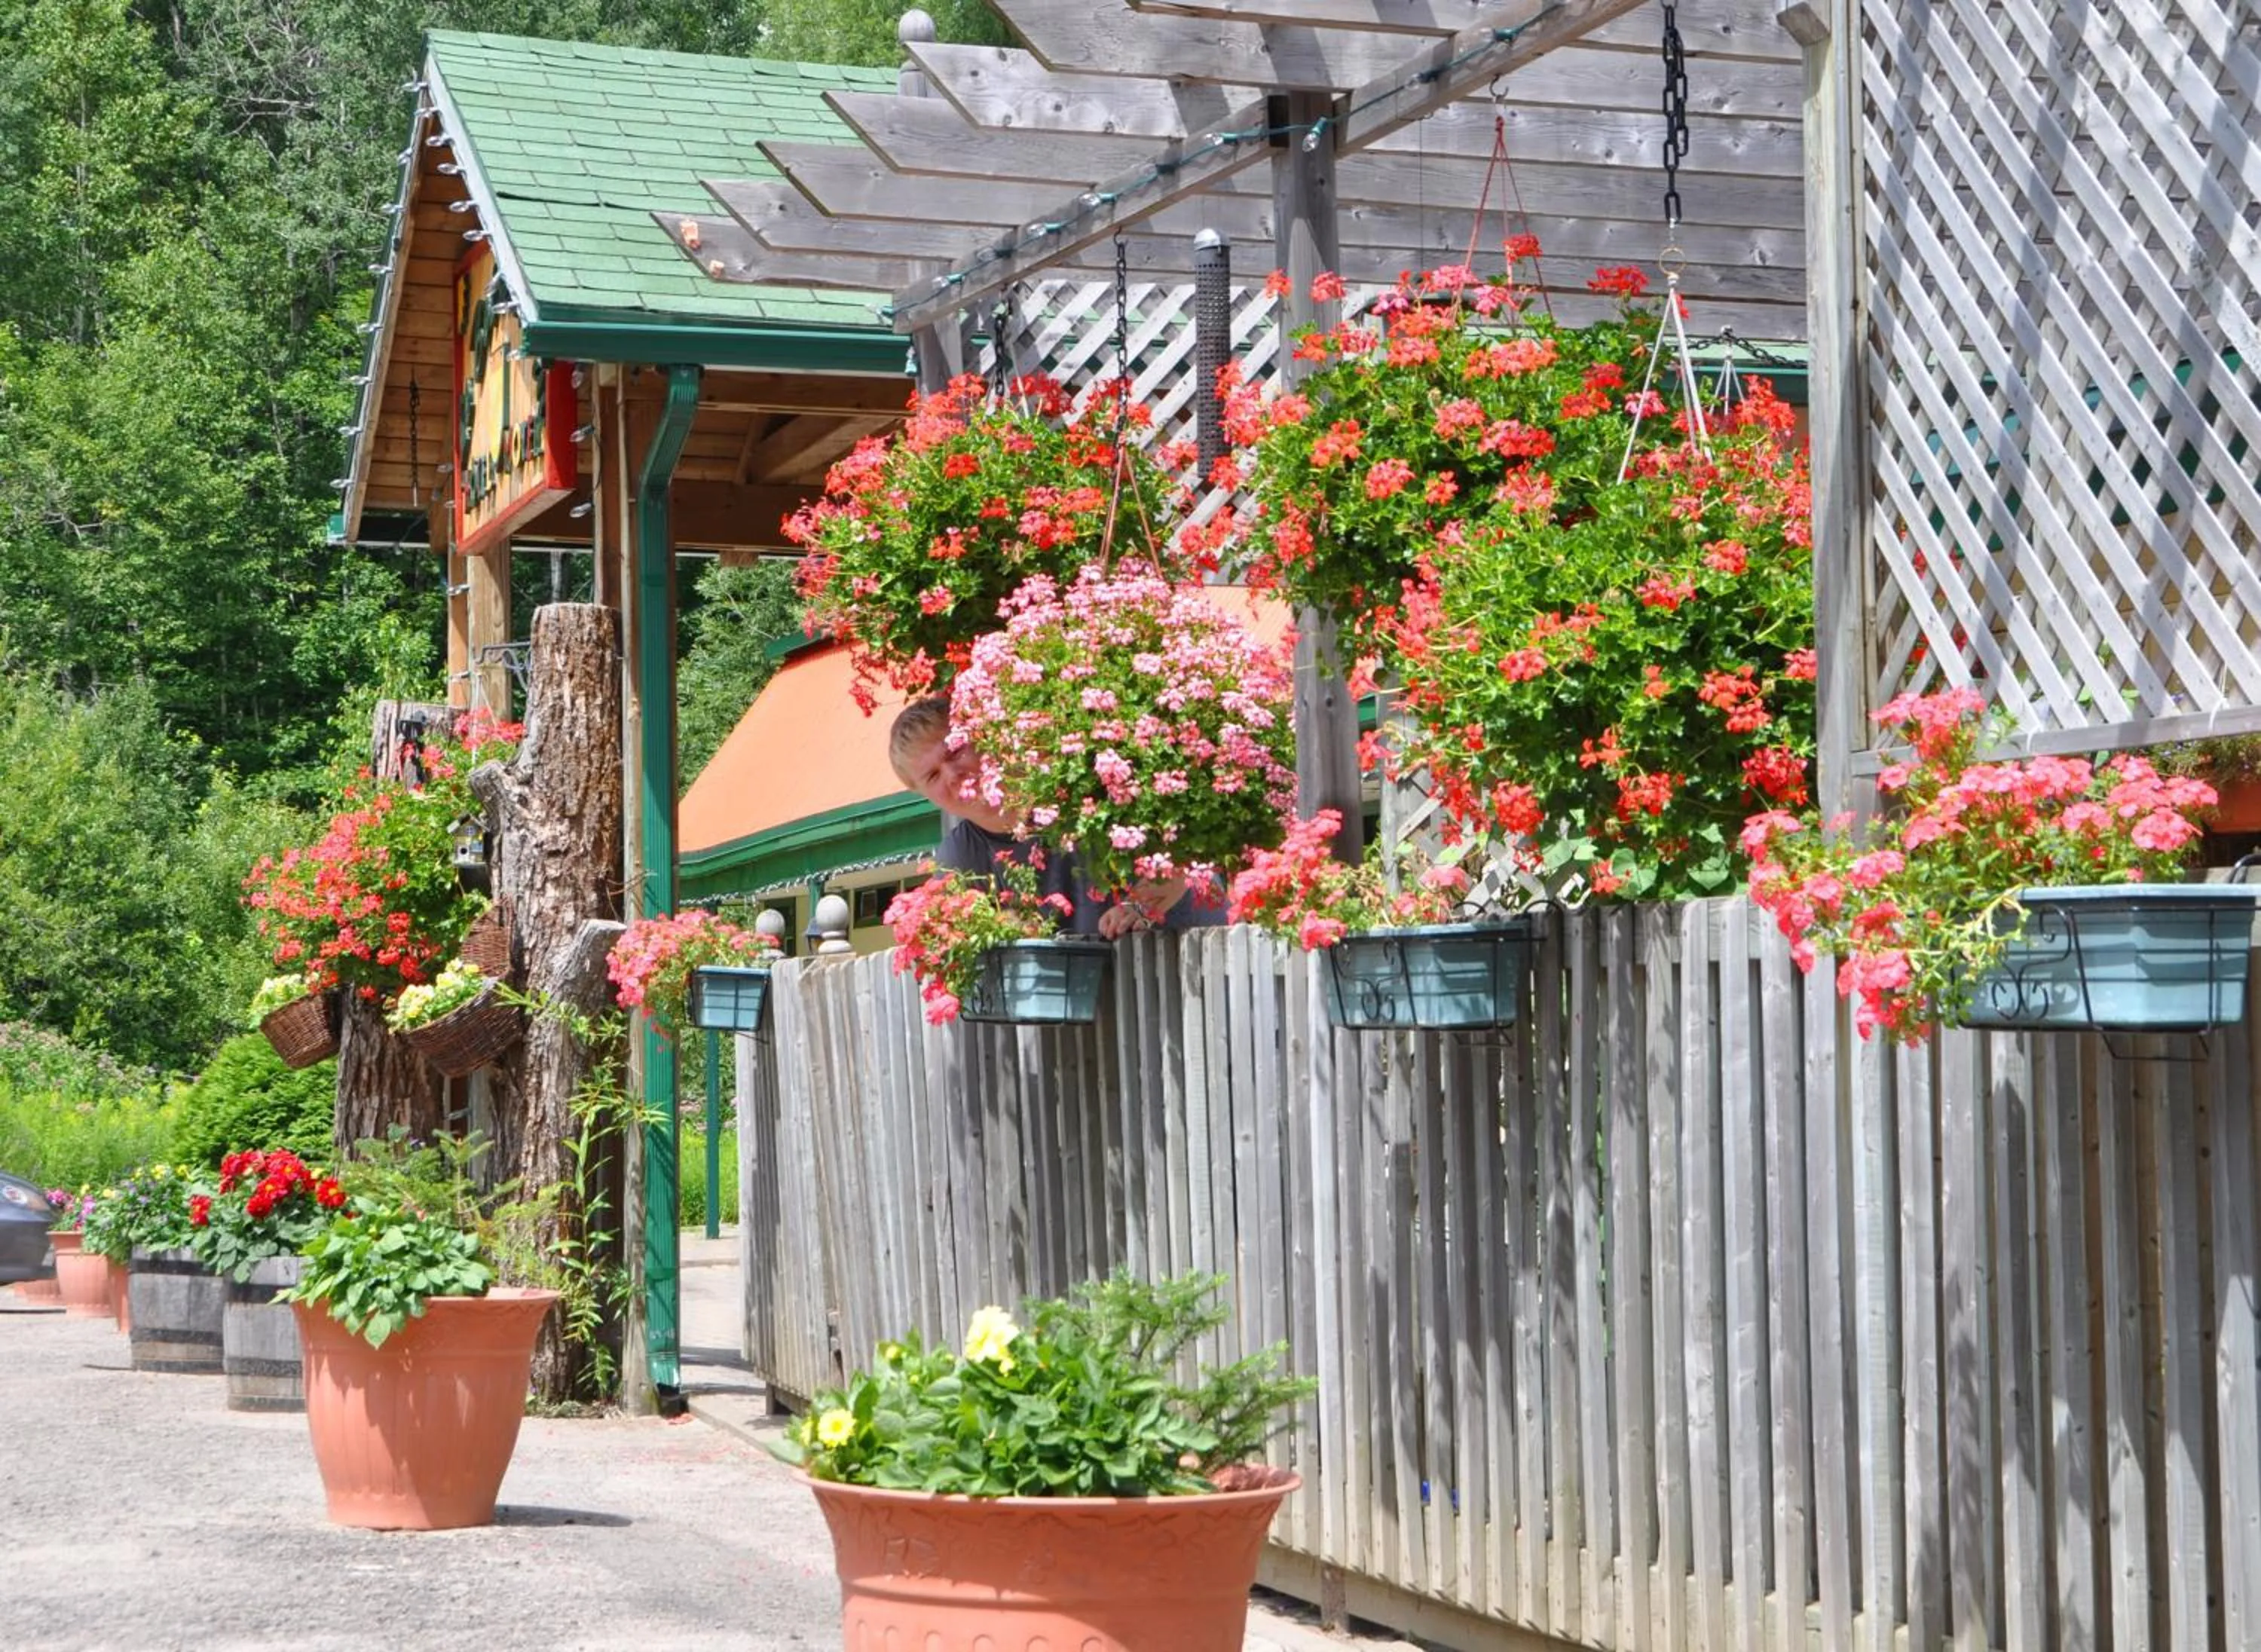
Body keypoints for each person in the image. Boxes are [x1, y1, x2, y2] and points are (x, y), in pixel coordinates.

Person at [887, 698, 1216, 939]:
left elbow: (1185, 858)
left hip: (1197, 974)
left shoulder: (1080, 788)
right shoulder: (959, 859)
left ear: (984, 738)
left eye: (956, 752)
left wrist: (1142, 906)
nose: (953, 775)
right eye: (932, 776)